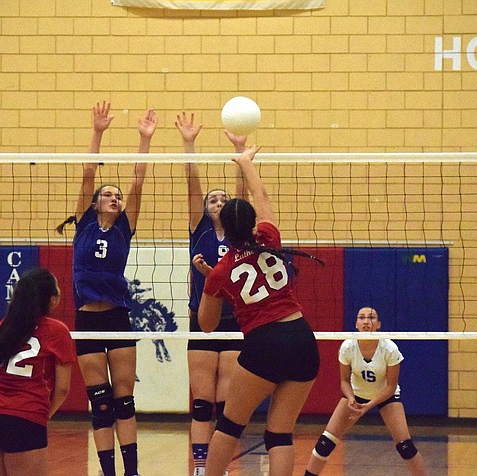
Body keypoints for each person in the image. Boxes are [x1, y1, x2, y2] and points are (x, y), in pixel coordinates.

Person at [193, 145, 320, 476]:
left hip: (265, 342)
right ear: (251, 223)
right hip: (302, 338)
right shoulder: (269, 237)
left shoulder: (220, 270)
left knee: (230, 425)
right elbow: (262, 196)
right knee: (279, 433)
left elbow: (206, 326)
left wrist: (211, 286)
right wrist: (246, 162)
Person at [56, 101, 157, 476]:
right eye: (107, 195)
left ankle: (131, 473)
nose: (114, 198)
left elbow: (138, 180)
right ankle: (109, 473)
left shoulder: (123, 228)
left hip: (118, 319)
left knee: (124, 401)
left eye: (116, 196)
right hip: (87, 321)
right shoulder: (83, 225)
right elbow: (87, 174)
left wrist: (144, 140)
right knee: (99, 403)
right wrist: (97, 131)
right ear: (95, 203)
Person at [175, 111, 249, 476]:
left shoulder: (239, 233)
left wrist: (240, 153)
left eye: (223, 200)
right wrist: (189, 144)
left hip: (235, 321)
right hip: (200, 321)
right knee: (202, 405)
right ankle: (200, 468)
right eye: (213, 199)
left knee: (226, 405)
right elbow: (192, 183)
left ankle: (222, 467)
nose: (218, 202)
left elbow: (243, 194)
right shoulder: (198, 227)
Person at [0, 267, 76, 476]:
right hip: (25, 416)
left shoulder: (4, 326)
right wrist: (41, 417)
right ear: (52, 300)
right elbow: (63, 389)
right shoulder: (57, 331)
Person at [304, 307, 427, 476]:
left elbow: (391, 387)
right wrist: (350, 397)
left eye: (371, 318)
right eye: (361, 318)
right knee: (325, 442)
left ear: (378, 325)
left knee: (405, 446)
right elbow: (344, 381)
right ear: (356, 324)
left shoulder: (389, 348)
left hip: (385, 395)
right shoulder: (348, 346)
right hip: (356, 394)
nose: (366, 321)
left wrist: (368, 406)